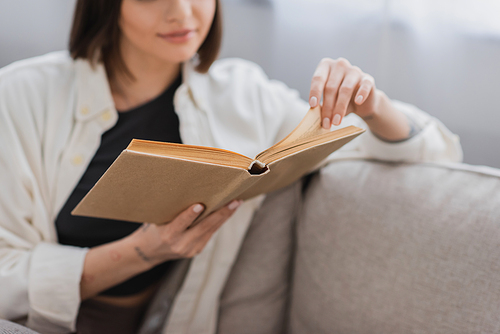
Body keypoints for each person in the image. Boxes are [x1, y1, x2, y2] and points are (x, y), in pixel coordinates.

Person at [0, 0, 462, 333]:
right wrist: (145, 251)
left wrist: (371, 103)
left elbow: (431, 158)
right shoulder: (22, 96)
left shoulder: (242, 96)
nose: (182, 12)